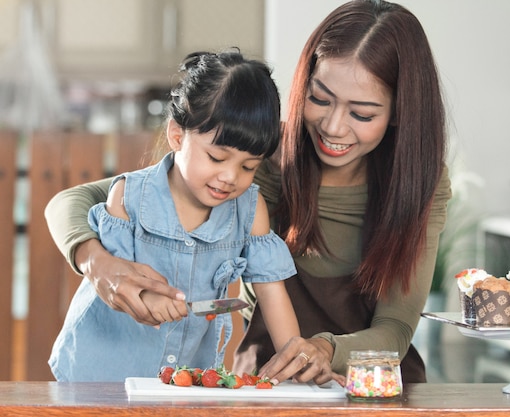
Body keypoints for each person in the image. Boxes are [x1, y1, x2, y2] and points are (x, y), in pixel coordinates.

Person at [45, 0, 451, 386]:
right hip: (268, 378)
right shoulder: (256, 157)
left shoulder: (419, 184)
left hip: (374, 384)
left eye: (362, 113)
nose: (333, 127)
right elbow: (75, 201)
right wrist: (96, 261)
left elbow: (395, 330)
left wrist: (325, 349)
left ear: (399, 110)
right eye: (319, 98)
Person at [47, 50, 299, 382]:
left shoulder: (251, 211)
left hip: (183, 381)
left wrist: (296, 356)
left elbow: (273, 293)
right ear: (177, 135)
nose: (230, 176)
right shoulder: (129, 196)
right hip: (99, 373)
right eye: (216, 157)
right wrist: (148, 297)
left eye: (248, 166)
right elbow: (117, 282)